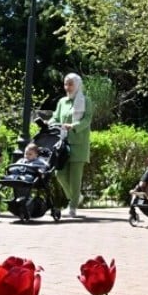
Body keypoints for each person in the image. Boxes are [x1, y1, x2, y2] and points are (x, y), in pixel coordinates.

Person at [53, 73, 92, 218]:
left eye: (70, 84)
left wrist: (74, 125)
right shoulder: (62, 102)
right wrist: (48, 123)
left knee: (75, 178)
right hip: (63, 143)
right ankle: (76, 198)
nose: (67, 87)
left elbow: (87, 119)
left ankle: (73, 207)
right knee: (59, 174)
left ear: (77, 85)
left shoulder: (85, 100)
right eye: (65, 84)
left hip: (79, 144)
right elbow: (55, 117)